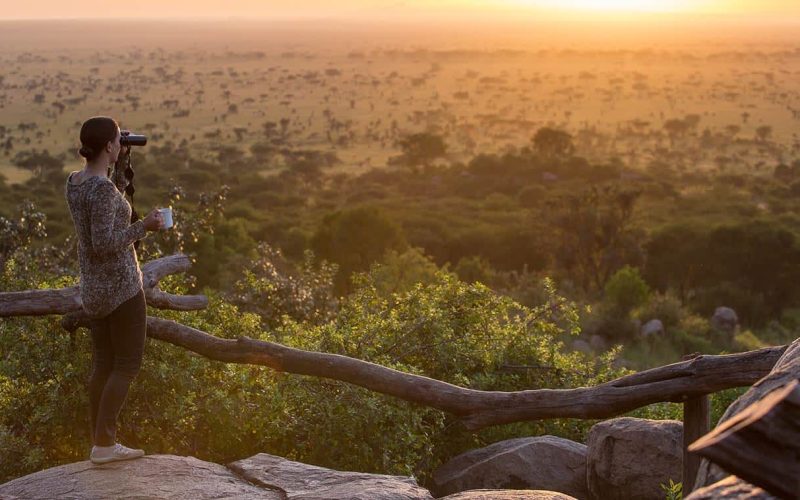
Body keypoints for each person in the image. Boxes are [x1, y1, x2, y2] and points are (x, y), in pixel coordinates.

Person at [65, 116, 165, 464]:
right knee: (126, 366)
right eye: (118, 140)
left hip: (94, 289)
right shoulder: (103, 190)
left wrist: (120, 173)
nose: (122, 144)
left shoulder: (75, 183)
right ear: (109, 146)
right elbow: (104, 242)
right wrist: (144, 226)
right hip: (121, 288)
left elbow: (105, 213)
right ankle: (105, 444)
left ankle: (100, 443)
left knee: (103, 365)